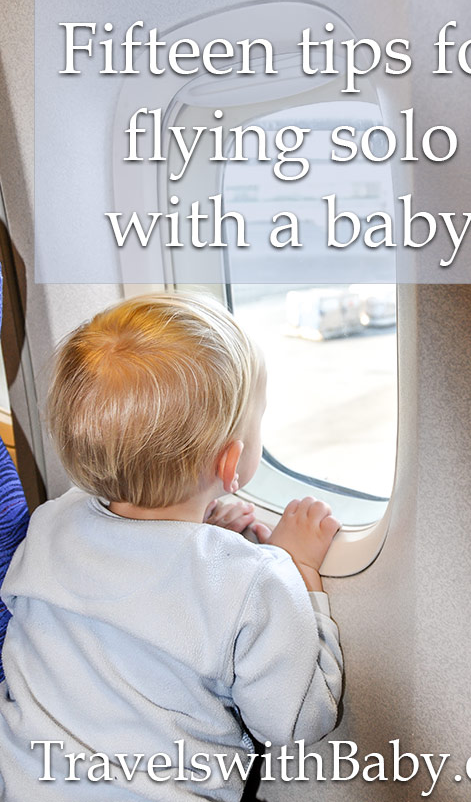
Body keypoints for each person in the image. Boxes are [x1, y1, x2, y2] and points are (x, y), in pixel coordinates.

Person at [0, 293, 343, 801]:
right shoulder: (253, 581)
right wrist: (299, 571)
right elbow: (295, 721)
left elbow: (134, 593)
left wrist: (202, 535)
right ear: (232, 464)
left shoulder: (51, 525)